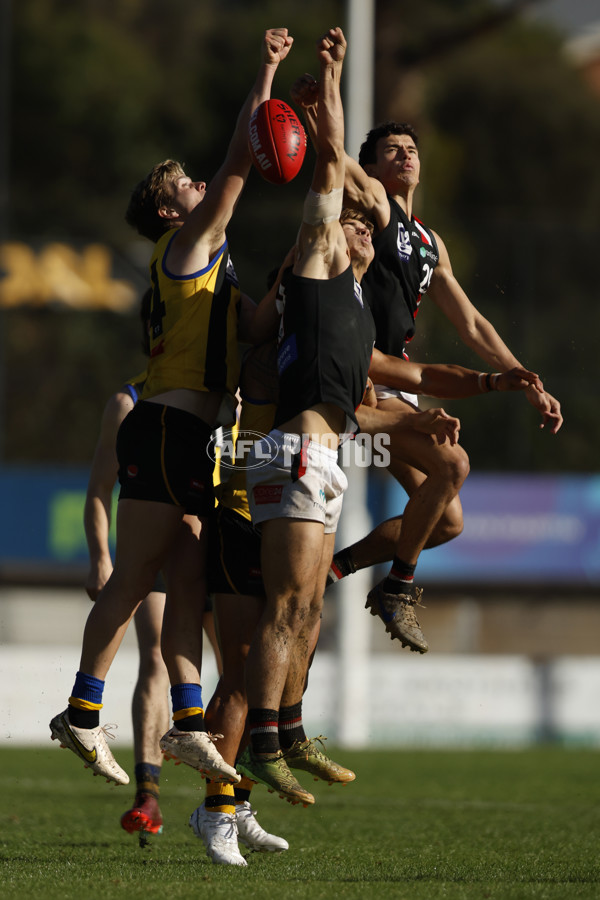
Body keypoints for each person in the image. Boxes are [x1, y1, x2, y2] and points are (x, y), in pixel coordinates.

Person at [50, 27, 293, 788]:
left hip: (197, 435)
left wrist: (305, 260)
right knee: (136, 576)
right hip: (163, 428)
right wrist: (268, 71)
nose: (198, 186)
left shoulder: (212, 271)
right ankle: (81, 715)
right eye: (184, 183)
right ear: (169, 207)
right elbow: (240, 160)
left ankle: (188, 725)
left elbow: (257, 324)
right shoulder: (185, 247)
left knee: (187, 576)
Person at [290, 85, 563, 648]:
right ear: (370, 168)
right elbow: (336, 157)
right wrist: (316, 115)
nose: (405, 155)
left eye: (410, 148)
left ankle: (332, 571)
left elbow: (473, 324)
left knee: (446, 520)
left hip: (399, 378)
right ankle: (398, 588)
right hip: (362, 375)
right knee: (453, 464)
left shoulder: (428, 242)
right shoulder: (374, 207)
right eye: (391, 149)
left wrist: (525, 378)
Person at [229, 25, 375, 806]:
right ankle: (262, 745)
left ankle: (288, 731)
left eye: (362, 223)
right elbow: (330, 163)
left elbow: (360, 409)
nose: (353, 221)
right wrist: (331, 74)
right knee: (285, 606)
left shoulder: (358, 308)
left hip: (326, 456)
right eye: (346, 217)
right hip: (290, 453)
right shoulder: (315, 266)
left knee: (311, 604)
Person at [84, 289, 222, 841]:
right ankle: (149, 795)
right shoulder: (129, 402)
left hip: (209, 543)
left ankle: (224, 799)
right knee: (156, 660)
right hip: (156, 549)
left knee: (237, 670)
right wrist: (100, 557)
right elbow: (99, 491)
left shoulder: (222, 397)